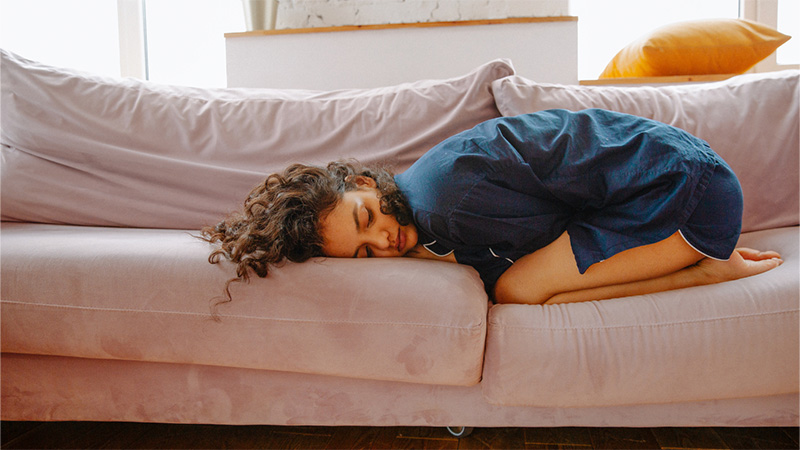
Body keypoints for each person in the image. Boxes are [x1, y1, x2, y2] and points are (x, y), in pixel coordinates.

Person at [201, 109, 782, 304]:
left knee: (517, 293)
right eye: (363, 251)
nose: (383, 241)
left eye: (366, 218)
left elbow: (532, 258)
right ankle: (688, 259)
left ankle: (705, 268)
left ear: (364, 183)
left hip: (687, 196)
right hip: (682, 171)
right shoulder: (424, 190)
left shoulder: (448, 205)